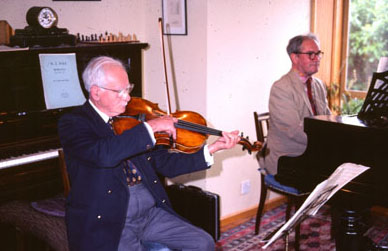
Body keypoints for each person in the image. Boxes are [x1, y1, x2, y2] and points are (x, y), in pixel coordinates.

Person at [58, 56, 240, 251]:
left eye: (128, 89)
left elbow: (164, 163)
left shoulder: (131, 121)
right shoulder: (74, 122)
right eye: (119, 91)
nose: (127, 97)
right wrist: (151, 127)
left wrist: (212, 149)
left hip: (149, 215)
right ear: (96, 92)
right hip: (112, 220)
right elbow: (104, 154)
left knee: (202, 242)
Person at [258, 33, 331, 191]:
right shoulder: (281, 87)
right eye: (311, 54)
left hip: (311, 155)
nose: (316, 58)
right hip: (288, 159)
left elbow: (328, 118)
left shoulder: (318, 85)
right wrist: (325, 145)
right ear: (294, 57)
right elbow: (292, 131)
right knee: (332, 179)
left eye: (318, 54)